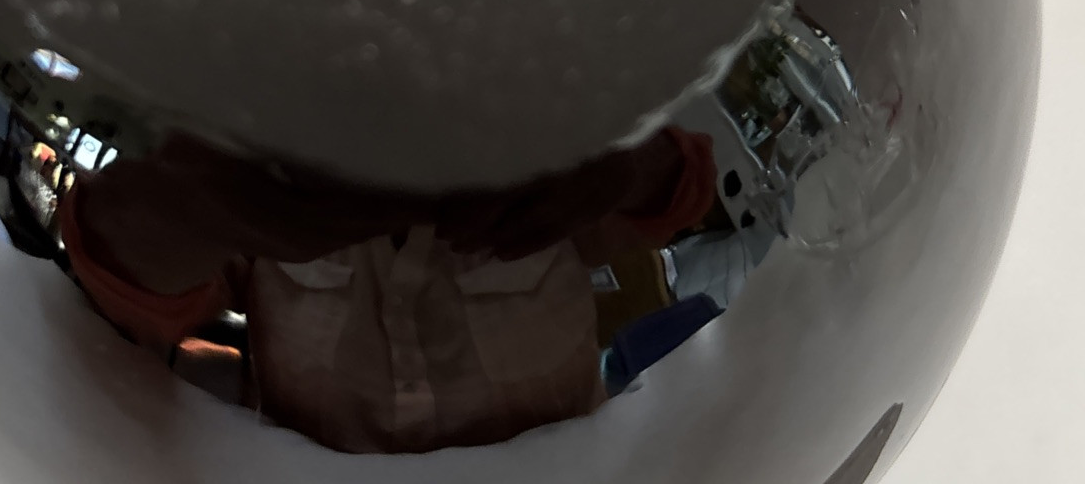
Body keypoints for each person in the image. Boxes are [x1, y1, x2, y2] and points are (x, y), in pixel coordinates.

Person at [60, 124, 717, 453]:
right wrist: (206, 201)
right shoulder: (259, 139)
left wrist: (622, 157)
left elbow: (682, 188)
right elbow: (114, 278)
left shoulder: (538, 125)